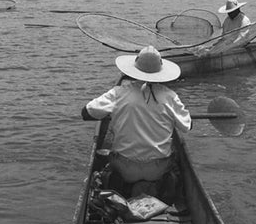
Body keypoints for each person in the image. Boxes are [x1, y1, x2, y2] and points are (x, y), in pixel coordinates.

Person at [81, 45, 191, 195]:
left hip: (125, 168)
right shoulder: (170, 96)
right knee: (174, 157)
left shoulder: (119, 93)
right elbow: (187, 126)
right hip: (157, 169)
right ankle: (163, 185)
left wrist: (113, 113)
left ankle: (119, 185)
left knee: (108, 156)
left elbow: (86, 113)